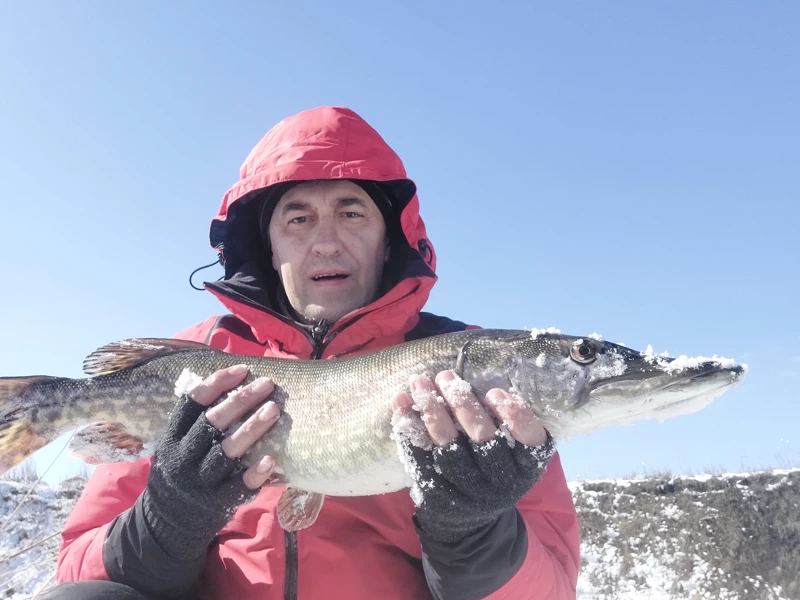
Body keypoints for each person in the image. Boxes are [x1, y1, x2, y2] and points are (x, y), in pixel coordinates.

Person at [46, 106, 580, 600]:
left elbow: (554, 586)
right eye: (298, 219)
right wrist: (166, 520)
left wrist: (477, 534)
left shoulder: (467, 370)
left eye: (351, 214)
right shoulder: (198, 362)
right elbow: (75, 570)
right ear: (269, 246)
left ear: (389, 240)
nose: (325, 242)